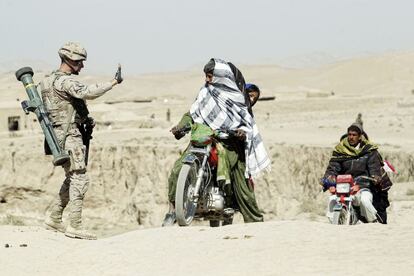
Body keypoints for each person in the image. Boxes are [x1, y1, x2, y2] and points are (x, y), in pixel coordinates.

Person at [162, 58, 270, 226]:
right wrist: (180, 126)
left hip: (229, 144)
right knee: (178, 168)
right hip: (204, 139)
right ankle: (172, 211)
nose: (207, 79)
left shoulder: (236, 98)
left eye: (210, 76)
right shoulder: (205, 92)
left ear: (220, 76)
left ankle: (255, 223)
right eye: (206, 76)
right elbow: (193, 112)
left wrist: (241, 132)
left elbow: (245, 122)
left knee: (242, 186)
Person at [41, 42, 123, 239]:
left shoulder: (45, 81)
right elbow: (88, 92)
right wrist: (113, 82)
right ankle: (75, 225)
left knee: (72, 177)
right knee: (80, 178)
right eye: (80, 63)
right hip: (70, 135)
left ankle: (54, 217)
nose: (82, 67)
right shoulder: (65, 82)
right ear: (70, 60)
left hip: (57, 136)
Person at [322, 122, 392, 223]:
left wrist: (375, 177)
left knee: (365, 200)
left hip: (364, 186)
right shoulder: (340, 150)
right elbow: (333, 167)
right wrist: (329, 178)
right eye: (349, 134)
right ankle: (334, 223)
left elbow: (374, 167)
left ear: (360, 137)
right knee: (332, 199)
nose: (351, 137)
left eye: (354, 135)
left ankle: (373, 222)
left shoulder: (369, 150)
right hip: (344, 186)